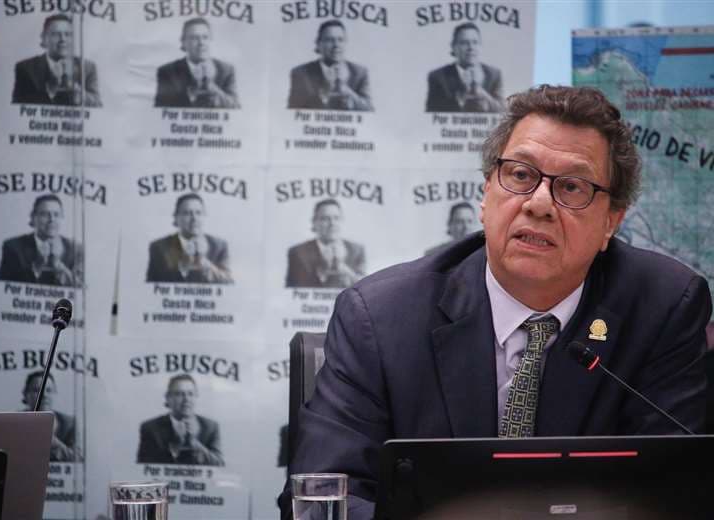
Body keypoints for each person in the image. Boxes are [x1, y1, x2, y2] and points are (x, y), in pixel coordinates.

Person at [280, 85, 712, 519]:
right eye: (521, 175)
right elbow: (322, 495)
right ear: (487, 193)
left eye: (572, 187)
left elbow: (674, 494)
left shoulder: (663, 310)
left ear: (611, 222)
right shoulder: (380, 318)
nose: (539, 204)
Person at [12, 14, 102, 106]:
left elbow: (99, 105)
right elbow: (17, 107)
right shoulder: (25, 68)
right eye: (55, 34)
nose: (63, 39)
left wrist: (82, 97)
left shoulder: (88, 67)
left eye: (68, 34)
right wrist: (51, 89)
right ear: (44, 38)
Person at [137, 374, 224, 465]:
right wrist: (177, 445)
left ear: (196, 396)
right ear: (168, 398)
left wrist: (195, 444)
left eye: (190, 394)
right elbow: (143, 466)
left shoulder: (210, 427)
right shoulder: (150, 428)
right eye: (179, 394)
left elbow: (219, 464)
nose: (186, 399)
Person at [0, 194, 83, 286]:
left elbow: (82, 288)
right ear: (33, 217)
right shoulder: (13, 247)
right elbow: (3, 287)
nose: (52, 219)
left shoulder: (77, 249)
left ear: (62, 217)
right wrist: (37, 266)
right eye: (45, 214)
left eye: (56, 214)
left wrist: (61, 269)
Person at [146, 193, 232, 284]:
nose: (194, 218)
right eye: (187, 213)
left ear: (204, 215)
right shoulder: (159, 247)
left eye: (198, 213)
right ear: (176, 217)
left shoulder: (219, 246)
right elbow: (151, 285)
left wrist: (204, 263)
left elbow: (229, 283)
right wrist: (184, 266)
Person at [154, 17, 239, 109]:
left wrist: (213, 88)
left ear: (210, 40)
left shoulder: (226, 70)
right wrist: (192, 92)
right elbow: (160, 110)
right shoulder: (167, 72)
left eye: (205, 37)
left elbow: (236, 108)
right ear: (183, 42)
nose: (201, 43)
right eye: (194, 38)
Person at [287, 20, 372, 111]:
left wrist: (348, 93)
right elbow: (293, 112)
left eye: (340, 40)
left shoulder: (360, 72)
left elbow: (369, 110)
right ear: (318, 44)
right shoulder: (301, 73)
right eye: (330, 40)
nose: (336, 45)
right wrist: (325, 92)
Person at [286, 199, 365, 288]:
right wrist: (323, 269)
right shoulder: (298, 253)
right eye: (325, 219)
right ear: (314, 222)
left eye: (336, 218)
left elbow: (366, 288)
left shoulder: (357, 250)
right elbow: (292, 291)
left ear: (342, 220)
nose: (332, 223)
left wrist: (346, 271)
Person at [425, 22, 503, 113]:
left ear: (481, 45)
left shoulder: (494, 74)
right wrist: (463, 93)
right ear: (453, 47)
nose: (471, 48)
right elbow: (431, 114)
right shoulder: (437, 77)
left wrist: (480, 91)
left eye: (475, 42)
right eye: (464, 43)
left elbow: (503, 112)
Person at [22, 371, 79, 462]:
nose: (44, 395)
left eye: (48, 390)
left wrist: (50, 440)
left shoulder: (69, 423)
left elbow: (78, 459)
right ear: (26, 394)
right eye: (37, 390)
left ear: (54, 393)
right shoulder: (15, 422)